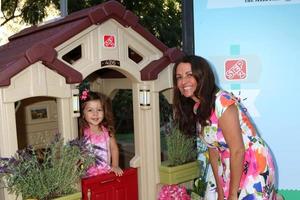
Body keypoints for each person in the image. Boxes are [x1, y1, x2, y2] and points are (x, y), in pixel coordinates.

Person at [172, 55, 277, 200]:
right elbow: (213, 150)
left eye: (189, 75)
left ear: (201, 76)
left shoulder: (222, 101)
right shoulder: (198, 108)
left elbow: (238, 150)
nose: (183, 82)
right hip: (228, 164)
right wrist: (220, 192)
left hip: (252, 162)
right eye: (179, 77)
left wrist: (233, 195)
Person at [79, 89, 123, 176]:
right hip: (88, 175)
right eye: (90, 110)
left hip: (106, 173)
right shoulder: (81, 133)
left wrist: (115, 165)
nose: (95, 114)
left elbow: (114, 149)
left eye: (99, 110)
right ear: (83, 114)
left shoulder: (107, 131)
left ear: (104, 111)